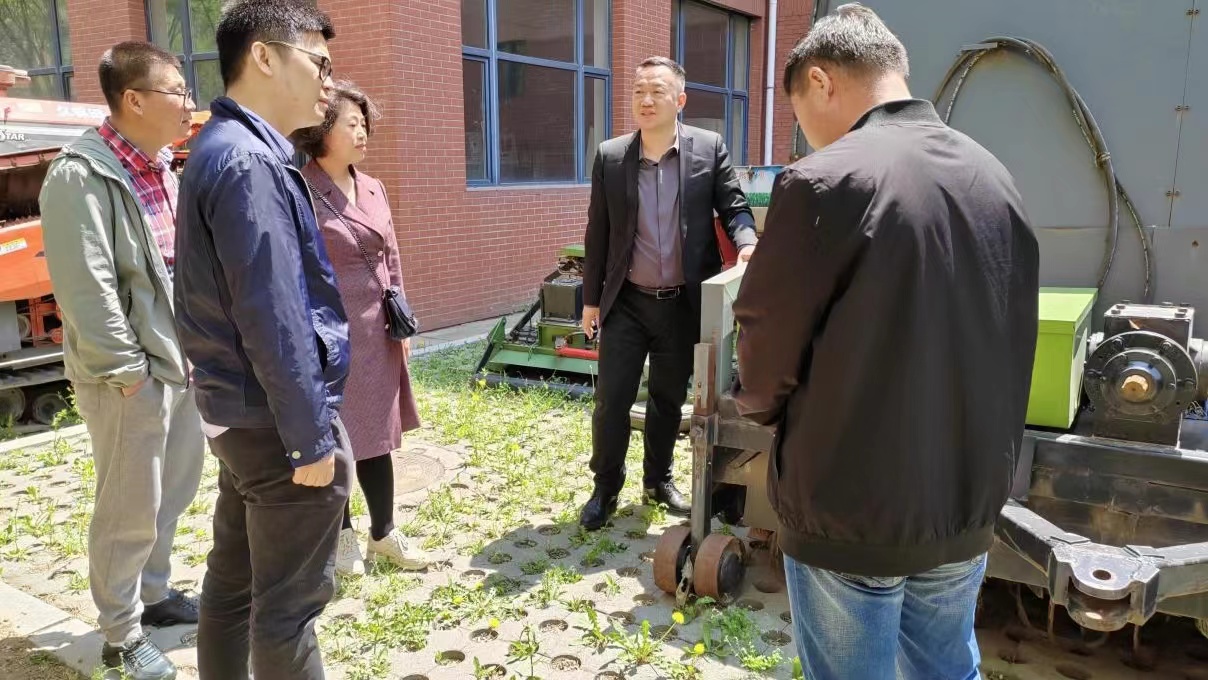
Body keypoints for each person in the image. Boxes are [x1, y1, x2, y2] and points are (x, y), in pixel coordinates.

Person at [732, 5, 1039, 679]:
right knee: (947, 667)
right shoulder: (994, 177)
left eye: (799, 116)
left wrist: (759, 407)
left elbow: (765, 334)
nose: (807, 135)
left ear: (820, 81)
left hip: (849, 503)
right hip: (964, 497)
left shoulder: (824, 181)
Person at [172, 2, 349, 678]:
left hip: (238, 410)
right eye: (319, 63)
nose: (330, 82)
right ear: (266, 57)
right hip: (273, 422)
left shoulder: (226, 147)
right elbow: (274, 313)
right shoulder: (248, 160)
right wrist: (310, 438)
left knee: (235, 582)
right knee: (286, 610)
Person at [38, 41, 203, 680]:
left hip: (178, 361)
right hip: (130, 375)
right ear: (134, 99)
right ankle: (120, 634)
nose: (188, 103)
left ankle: (153, 596)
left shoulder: (161, 166)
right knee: (128, 506)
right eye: (177, 91)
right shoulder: (80, 174)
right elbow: (87, 286)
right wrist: (127, 371)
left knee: (171, 491)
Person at [580, 56, 758, 531]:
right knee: (612, 400)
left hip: (681, 303)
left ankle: (657, 480)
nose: (645, 99)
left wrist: (746, 243)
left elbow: (734, 207)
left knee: (667, 399)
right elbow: (598, 233)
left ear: (679, 100)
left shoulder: (708, 148)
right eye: (638, 90)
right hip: (626, 302)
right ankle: (605, 487)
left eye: (656, 91)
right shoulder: (611, 156)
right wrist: (591, 301)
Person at [291, 81, 430, 575]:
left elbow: (391, 258)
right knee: (338, 433)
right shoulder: (300, 189)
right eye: (352, 124)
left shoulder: (373, 186)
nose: (363, 132)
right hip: (328, 334)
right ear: (322, 130)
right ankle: (342, 534)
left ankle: (384, 533)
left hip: (377, 331)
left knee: (378, 433)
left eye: (364, 123)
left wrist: (402, 323)